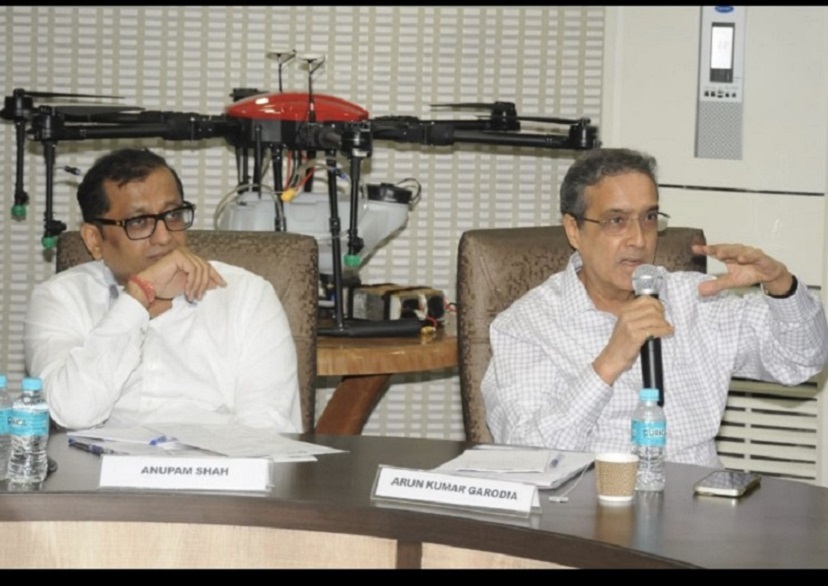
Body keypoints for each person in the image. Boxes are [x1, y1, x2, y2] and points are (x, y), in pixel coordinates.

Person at [481, 147, 828, 467]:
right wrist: (609, 361)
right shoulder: (526, 326)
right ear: (574, 229)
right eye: (617, 220)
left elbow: (801, 361)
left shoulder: (694, 299)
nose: (639, 239)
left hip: (698, 510)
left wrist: (782, 286)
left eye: (648, 218)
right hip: (592, 510)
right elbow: (525, 456)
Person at [23, 148, 303, 433]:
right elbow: (71, 413)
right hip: (99, 474)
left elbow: (269, 430)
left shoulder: (246, 295)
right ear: (94, 240)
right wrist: (136, 299)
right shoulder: (60, 298)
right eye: (138, 222)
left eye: (173, 215)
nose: (165, 237)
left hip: (216, 472)